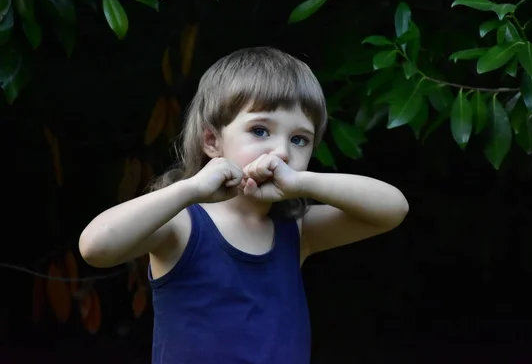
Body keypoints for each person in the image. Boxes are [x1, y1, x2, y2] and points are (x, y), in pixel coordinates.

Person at [79, 46, 409, 364]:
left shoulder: (296, 230)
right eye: (260, 130)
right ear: (212, 141)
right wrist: (190, 189)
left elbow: (393, 209)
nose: (281, 151)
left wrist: (303, 182)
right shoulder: (183, 225)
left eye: (299, 139)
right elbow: (97, 246)